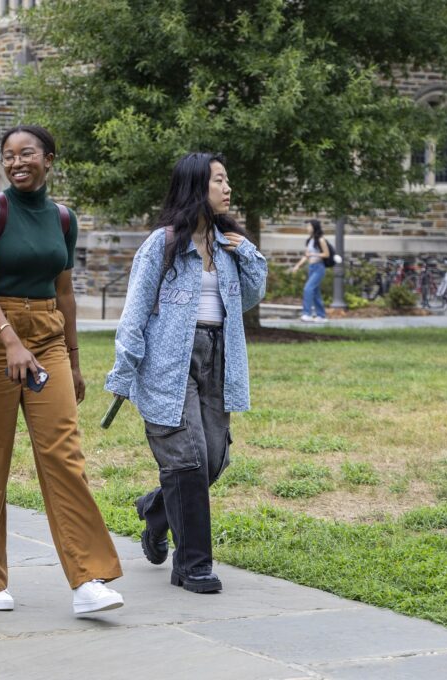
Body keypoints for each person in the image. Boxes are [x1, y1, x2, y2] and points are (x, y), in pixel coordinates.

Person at [0, 124, 125, 616]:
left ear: (49, 159)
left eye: (26, 153)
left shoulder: (63, 218)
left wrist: (73, 361)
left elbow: (66, 290)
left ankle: (88, 577)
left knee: (63, 455)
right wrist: (9, 339)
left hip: (48, 334)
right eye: (8, 155)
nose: (16, 162)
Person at [106, 152, 267, 594]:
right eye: (219, 180)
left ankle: (156, 512)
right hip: (170, 360)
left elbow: (250, 298)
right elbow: (135, 312)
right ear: (197, 186)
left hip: (219, 355)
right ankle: (193, 565)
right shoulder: (162, 244)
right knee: (186, 459)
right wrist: (125, 369)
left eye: (227, 179)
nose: (228, 188)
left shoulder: (228, 244)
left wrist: (246, 250)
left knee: (213, 458)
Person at [289, 219, 330, 323]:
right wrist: (297, 266)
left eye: (309, 226)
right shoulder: (310, 240)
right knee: (315, 292)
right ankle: (321, 316)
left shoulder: (320, 240)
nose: (307, 228)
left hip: (319, 268)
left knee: (308, 289)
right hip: (311, 268)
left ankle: (306, 314)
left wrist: (313, 254)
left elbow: (326, 254)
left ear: (314, 227)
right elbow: (306, 256)